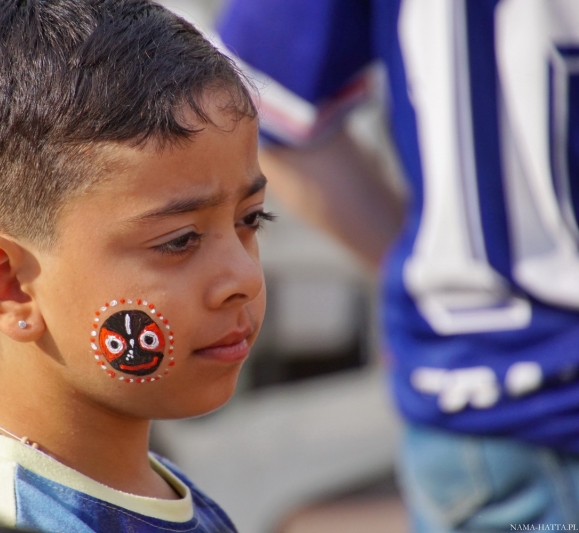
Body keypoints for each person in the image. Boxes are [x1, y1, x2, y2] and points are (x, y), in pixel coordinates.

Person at [0, 0, 269, 531]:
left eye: (251, 219)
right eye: (179, 240)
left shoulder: (152, 490)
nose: (244, 278)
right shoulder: (7, 522)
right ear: (8, 285)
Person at [217, 0, 579, 531]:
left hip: (481, 392)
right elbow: (251, 91)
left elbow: (256, 86)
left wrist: (430, 275)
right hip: (515, 412)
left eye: (251, 221)